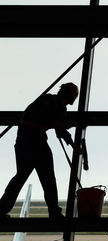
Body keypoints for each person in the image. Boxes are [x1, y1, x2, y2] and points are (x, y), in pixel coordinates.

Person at [0, 83, 81, 219]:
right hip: (36, 140)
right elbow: (61, 127)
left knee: (20, 176)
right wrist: (74, 146)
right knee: (48, 178)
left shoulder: (46, 100)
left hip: (22, 140)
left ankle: (1, 210)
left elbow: (55, 122)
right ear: (71, 97)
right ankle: (54, 212)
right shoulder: (59, 104)